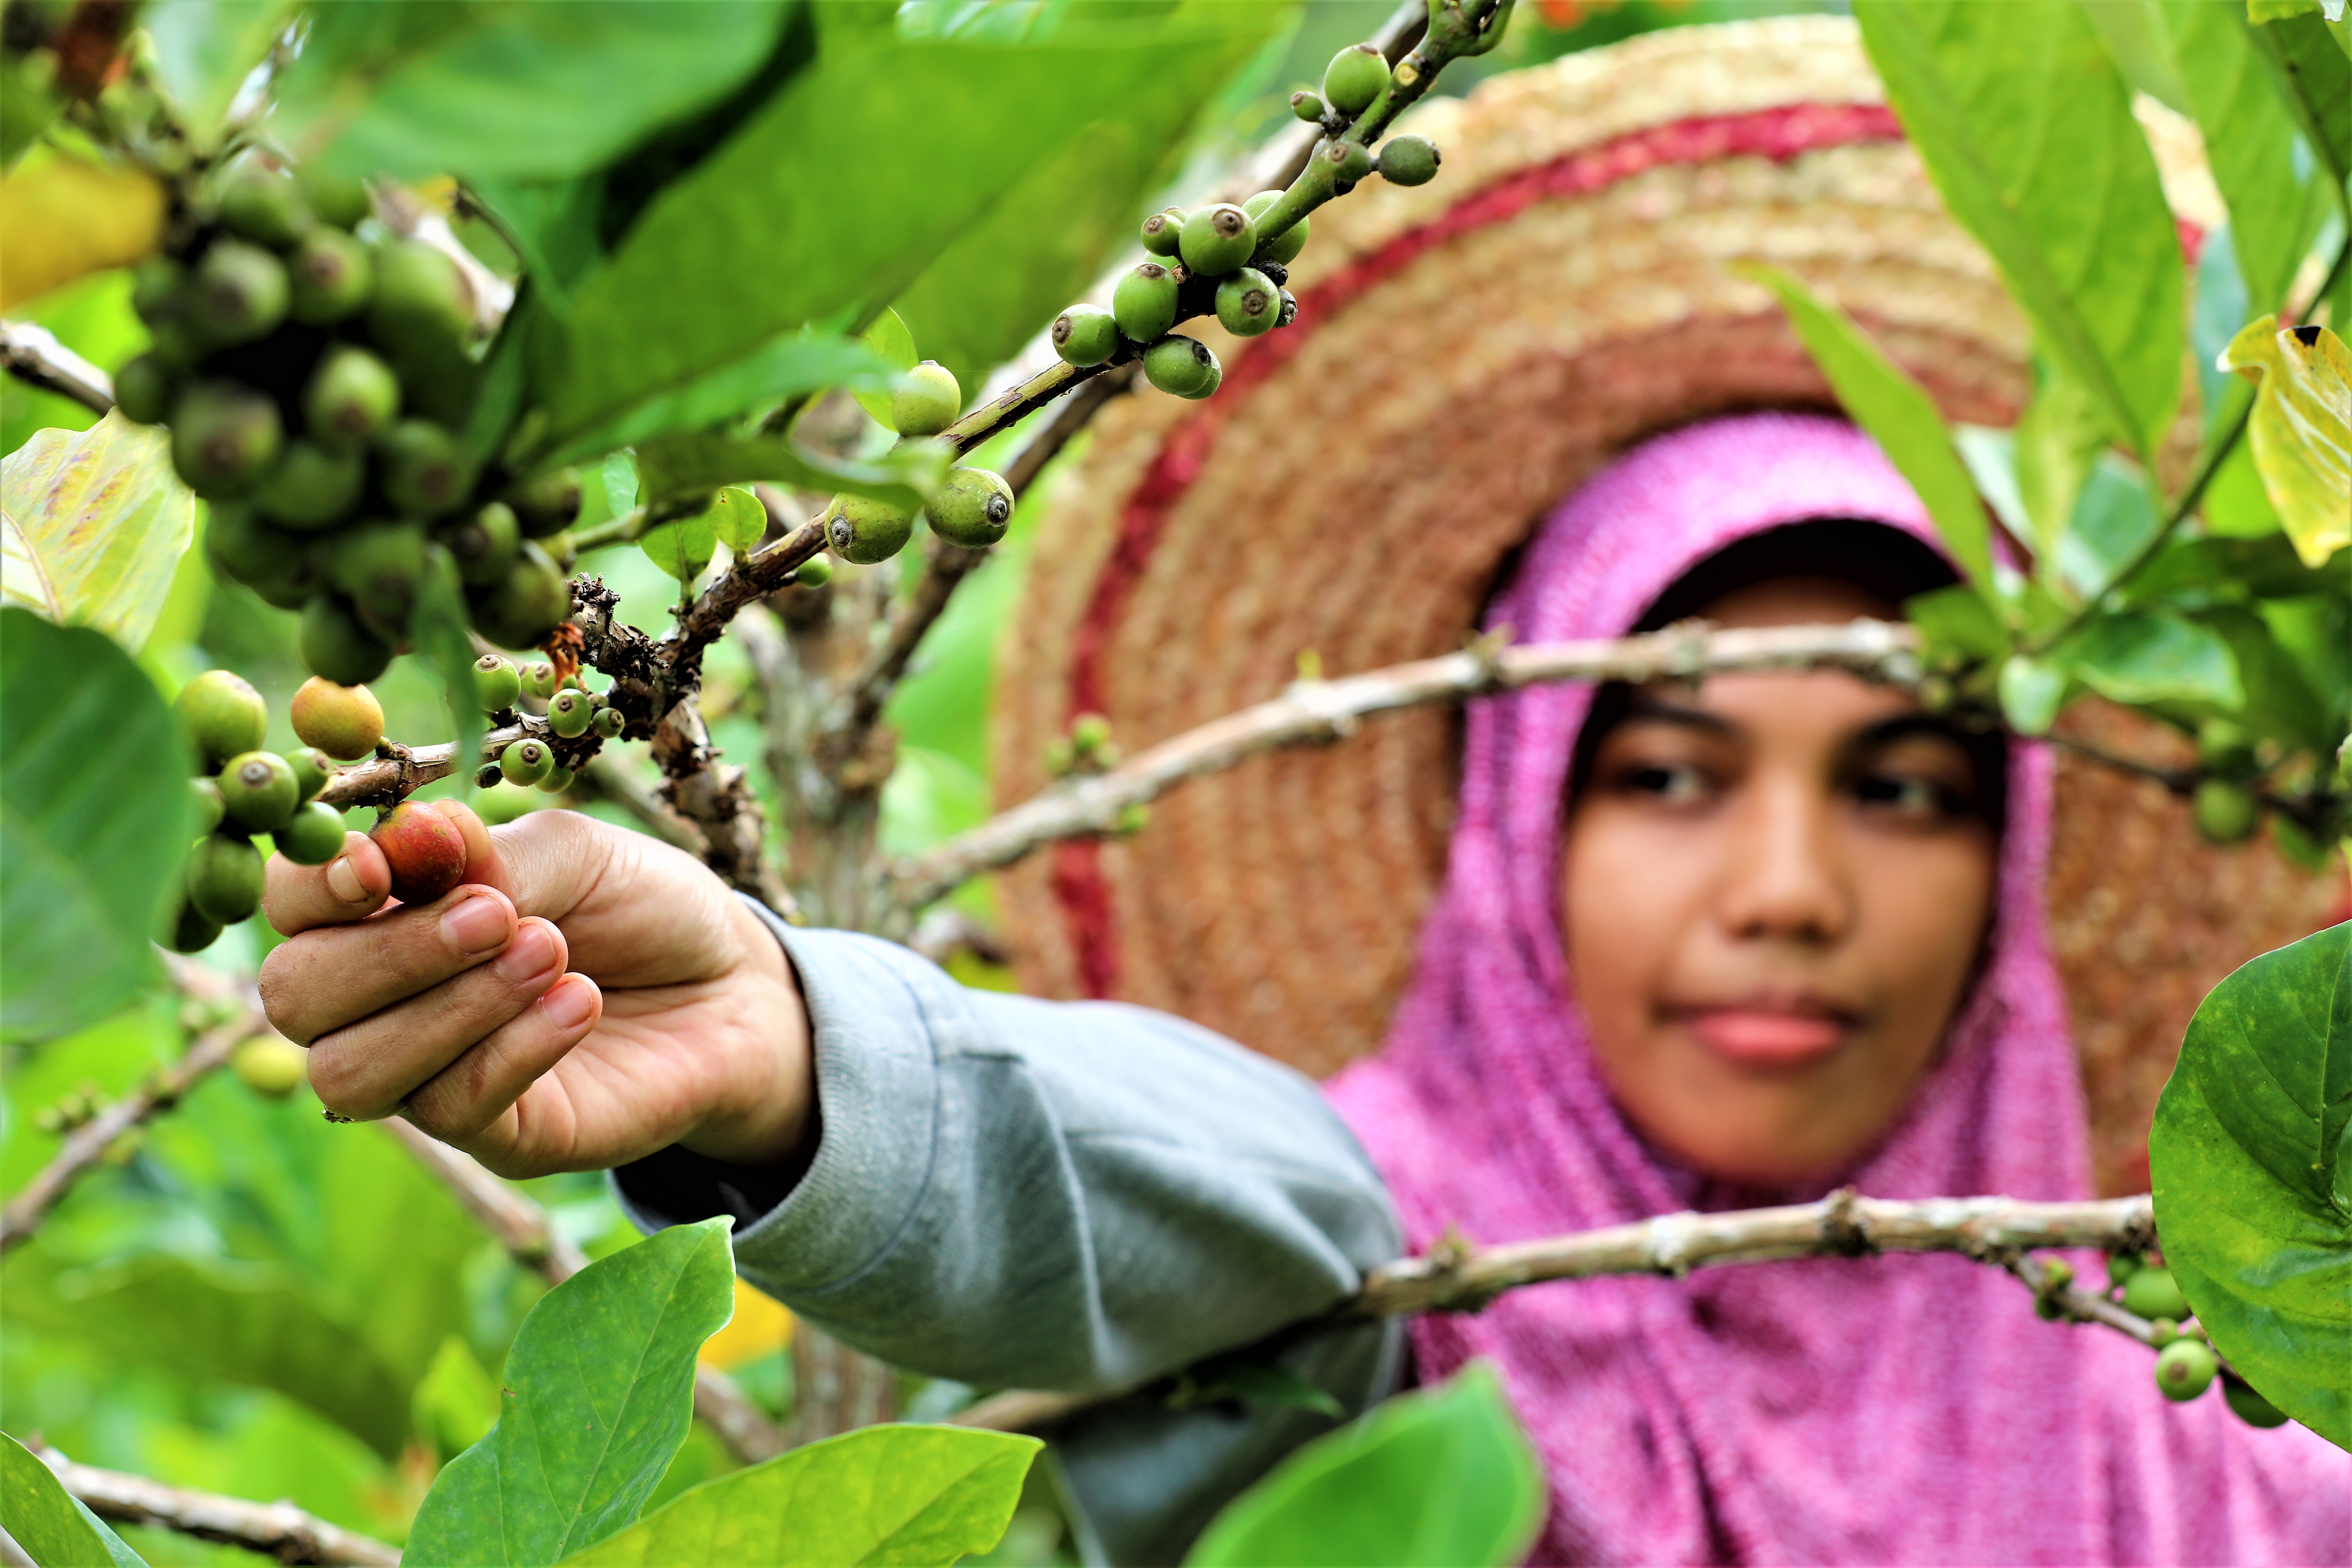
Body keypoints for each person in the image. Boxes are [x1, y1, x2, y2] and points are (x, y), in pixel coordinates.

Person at [256, 20, 2350, 1563]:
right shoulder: (1391, 1307)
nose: (1789, 889)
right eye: (1673, 775)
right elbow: (1216, 1194)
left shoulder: (2247, 1484)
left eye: (1902, 787)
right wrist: (801, 1055)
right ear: (1515, 826)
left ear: (2018, 863)